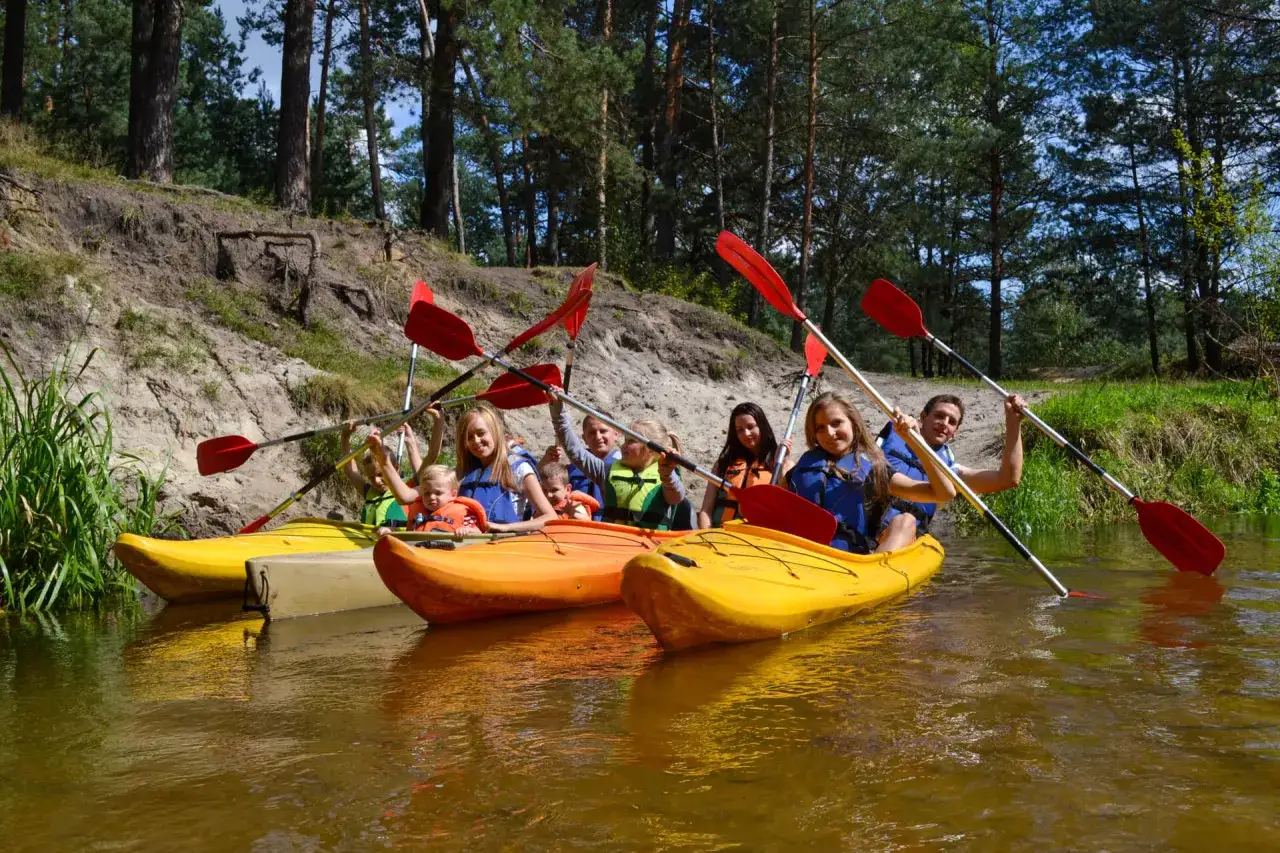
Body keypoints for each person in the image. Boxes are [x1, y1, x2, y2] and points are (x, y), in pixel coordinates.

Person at [786, 392, 955, 553]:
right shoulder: (807, 464)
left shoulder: (876, 471)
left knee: (906, 520)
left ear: (853, 423)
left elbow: (943, 494)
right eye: (820, 428)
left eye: (836, 423)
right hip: (799, 550)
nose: (829, 433)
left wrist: (917, 444)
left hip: (847, 561)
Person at [876, 393, 1026, 536]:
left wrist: (1013, 422)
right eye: (939, 416)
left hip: (905, 532)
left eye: (952, 421)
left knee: (906, 521)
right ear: (923, 416)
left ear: (955, 432)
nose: (944, 424)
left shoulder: (950, 471)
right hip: (868, 516)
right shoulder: (891, 433)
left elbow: (1008, 479)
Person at [547, 391, 690, 530]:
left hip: (649, 546)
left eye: (631, 441)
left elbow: (675, 498)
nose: (623, 446)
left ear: (651, 450)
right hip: (613, 543)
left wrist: (667, 474)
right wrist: (558, 411)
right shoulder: (605, 471)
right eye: (625, 440)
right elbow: (575, 451)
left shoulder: (668, 476)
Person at [453, 405, 556, 533]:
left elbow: (550, 517)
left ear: (495, 431)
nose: (476, 441)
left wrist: (506, 528)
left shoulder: (520, 469)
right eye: (469, 437)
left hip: (506, 545)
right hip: (469, 547)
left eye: (481, 433)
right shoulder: (463, 472)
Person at [697, 402, 791, 529]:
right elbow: (705, 510)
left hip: (754, 538)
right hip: (718, 535)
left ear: (762, 427)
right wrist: (706, 536)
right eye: (740, 430)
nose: (746, 434)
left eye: (751, 427)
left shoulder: (781, 464)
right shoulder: (723, 464)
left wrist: (781, 461)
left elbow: (785, 508)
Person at [343, 418, 437, 528]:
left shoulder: (408, 490)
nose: (376, 481)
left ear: (396, 468)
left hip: (396, 542)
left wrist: (409, 439)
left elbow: (430, 458)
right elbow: (350, 469)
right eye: (371, 478)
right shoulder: (368, 491)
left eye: (380, 474)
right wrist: (345, 437)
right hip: (369, 541)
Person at [541, 413, 621, 521]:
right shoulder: (572, 469)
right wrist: (546, 463)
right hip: (577, 529)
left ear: (617, 434)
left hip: (611, 530)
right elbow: (541, 491)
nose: (598, 437)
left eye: (603, 431)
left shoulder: (627, 467)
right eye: (592, 433)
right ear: (584, 438)